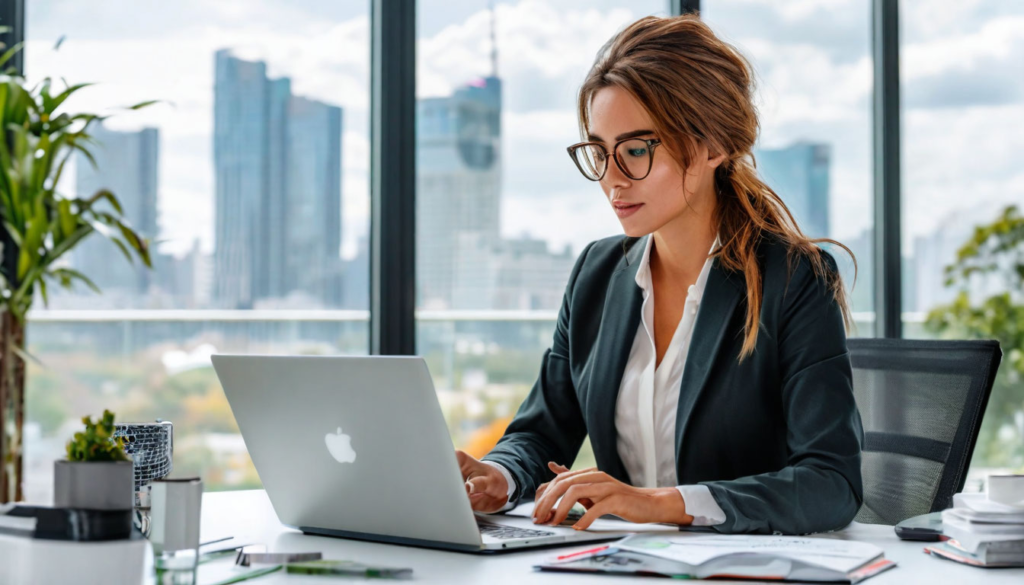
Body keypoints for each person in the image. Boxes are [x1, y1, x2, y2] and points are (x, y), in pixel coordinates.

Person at [455, 13, 863, 536]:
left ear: (711, 147)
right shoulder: (596, 275)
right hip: (619, 563)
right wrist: (499, 474)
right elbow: (541, 433)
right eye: (599, 153)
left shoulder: (794, 278)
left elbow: (831, 483)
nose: (611, 179)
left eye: (636, 151)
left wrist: (660, 503)